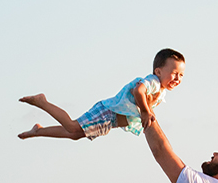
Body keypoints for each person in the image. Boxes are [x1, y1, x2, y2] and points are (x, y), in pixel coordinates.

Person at [17, 48, 185, 141]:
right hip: (108, 112)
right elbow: (138, 91)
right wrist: (146, 112)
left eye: (181, 75)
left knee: (74, 134)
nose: (177, 78)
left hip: (110, 120)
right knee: (73, 127)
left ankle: (38, 131)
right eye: (174, 73)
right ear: (158, 71)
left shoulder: (160, 91)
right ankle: (42, 102)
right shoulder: (153, 82)